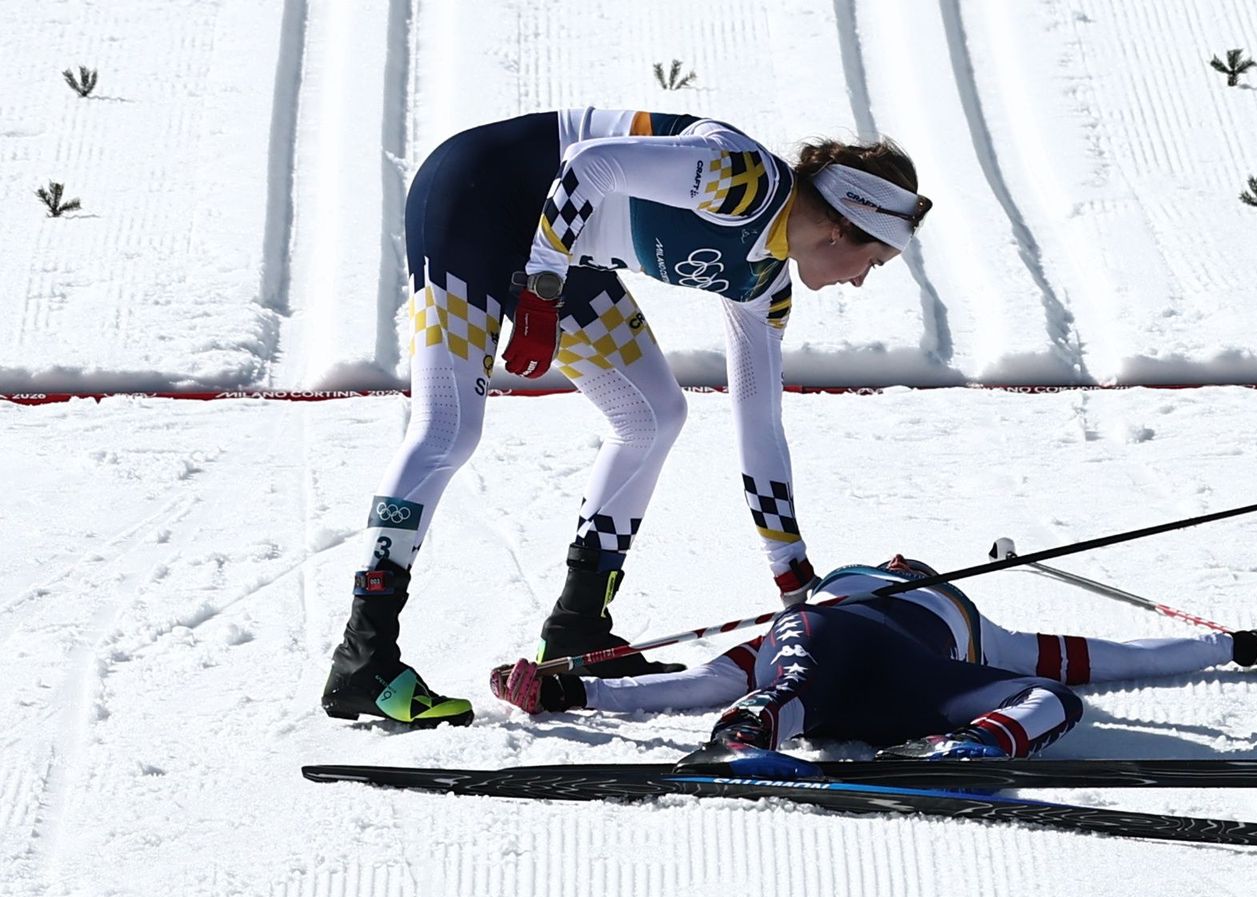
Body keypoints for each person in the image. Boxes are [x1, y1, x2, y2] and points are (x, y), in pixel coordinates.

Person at [321, 108, 932, 727]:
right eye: (874, 262)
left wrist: (792, 575)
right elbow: (591, 164)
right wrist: (542, 286)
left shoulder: (764, 284)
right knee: (447, 429)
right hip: (477, 195)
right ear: (842, 229)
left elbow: (759, 425)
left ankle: (577, 630)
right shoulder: (744, 179)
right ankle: (363, 657)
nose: (860, 283)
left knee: (652, 416)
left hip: (557, 251)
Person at [489, 557, 1257, 775]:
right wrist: (575, 687)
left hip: (913, 693)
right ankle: (747, 737)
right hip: (836, 663)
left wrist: (1237, 645)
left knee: (1053, 697)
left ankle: (977, 747)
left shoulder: (975, 622)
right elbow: (708, 679)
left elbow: (1105, 660)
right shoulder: (819, 605)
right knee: (792, 680)